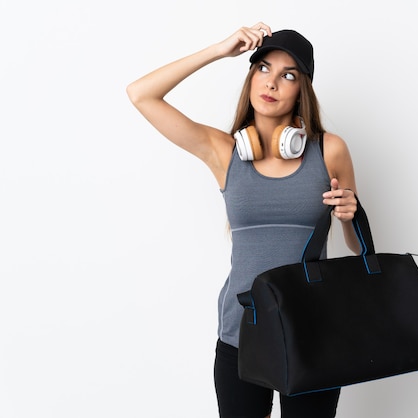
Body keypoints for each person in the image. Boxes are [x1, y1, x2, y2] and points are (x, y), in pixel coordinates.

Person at [127, 22, 360, 418]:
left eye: (288, 75)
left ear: (301, 90)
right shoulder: (223, 152)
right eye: (263, 68)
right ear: (250, 77)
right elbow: (141, 94)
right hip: (241, 332)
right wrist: (218, 50)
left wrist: (350, 215)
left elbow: (355, 245)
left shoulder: (329, 150)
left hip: (312, 333)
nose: (271, 83)